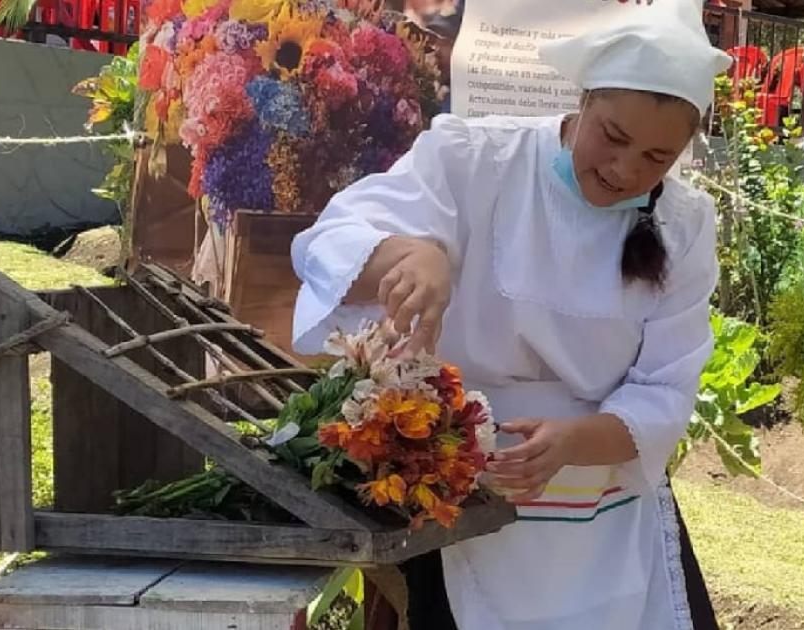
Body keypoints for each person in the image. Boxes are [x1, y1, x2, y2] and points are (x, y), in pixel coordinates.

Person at [289, 1, 731, 627]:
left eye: (657, 157)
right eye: (613, 135)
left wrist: (574, 441)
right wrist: (414, 251)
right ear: (582, 101)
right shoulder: (475, 160)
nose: (625, 170)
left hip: (599, 488)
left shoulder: (682, 226)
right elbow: (326, 243)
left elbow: (665, 388)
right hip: (450, 473)